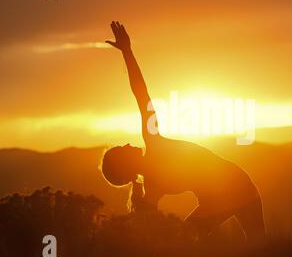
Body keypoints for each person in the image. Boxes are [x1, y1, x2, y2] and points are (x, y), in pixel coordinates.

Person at [102, 21, 265, 242]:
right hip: (233, 189)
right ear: (125, 165)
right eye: (123, 149)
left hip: (236, 188)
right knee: (187, 241)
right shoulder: (153, 149)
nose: (128, 144)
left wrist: (128, 52)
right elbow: (141, 93)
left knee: (186, 241)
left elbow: (141, 94)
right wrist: (127, 52)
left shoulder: (152, 185)